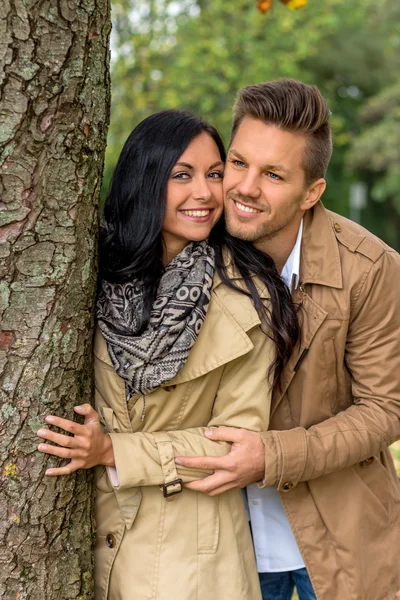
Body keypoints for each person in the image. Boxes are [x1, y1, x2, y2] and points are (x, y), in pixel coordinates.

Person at [36, 109, 299, 599]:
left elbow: (235, 443)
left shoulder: (251, 298)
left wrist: (113, 450)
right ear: (146, 179)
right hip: (88, 540)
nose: (204, 193)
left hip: (192, 556)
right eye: (182, 175)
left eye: (215, 174)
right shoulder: (87, 274)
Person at [175, 79, 400, 600]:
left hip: (342, 540)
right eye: (238, 163)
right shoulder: (188, 247)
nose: (245, 187)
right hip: (222, 541)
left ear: (312, 192)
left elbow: (385, 407)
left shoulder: (370, 268)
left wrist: (273, 457)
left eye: (273, 174)